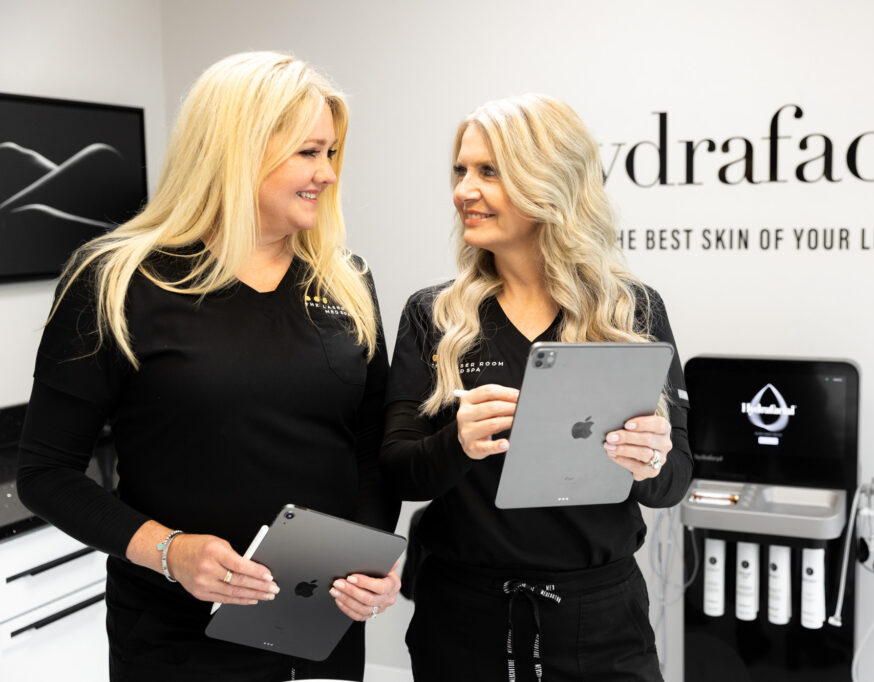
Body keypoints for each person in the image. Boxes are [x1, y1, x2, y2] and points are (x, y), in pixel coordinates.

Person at [17, 51, 400, 682]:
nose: (327, 174)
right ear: (238, 149)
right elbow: (46, 472)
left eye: (331, 154)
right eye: (308, 153)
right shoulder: (115, 280)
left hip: (318, 627)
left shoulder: (347, 282)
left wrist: (366, 558)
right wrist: (168, 551)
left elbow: (366, 449)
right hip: (176, 640)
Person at [382, 94, 694, 681]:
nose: (462, 192)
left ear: (548, 180)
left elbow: (675, 480)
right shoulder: (433, 315)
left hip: (602, 622)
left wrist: (650, 461)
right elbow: (397, 470)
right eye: (461, 171)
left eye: (488, 172)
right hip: (463, 619)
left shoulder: (633, 311)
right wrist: (458, 442)